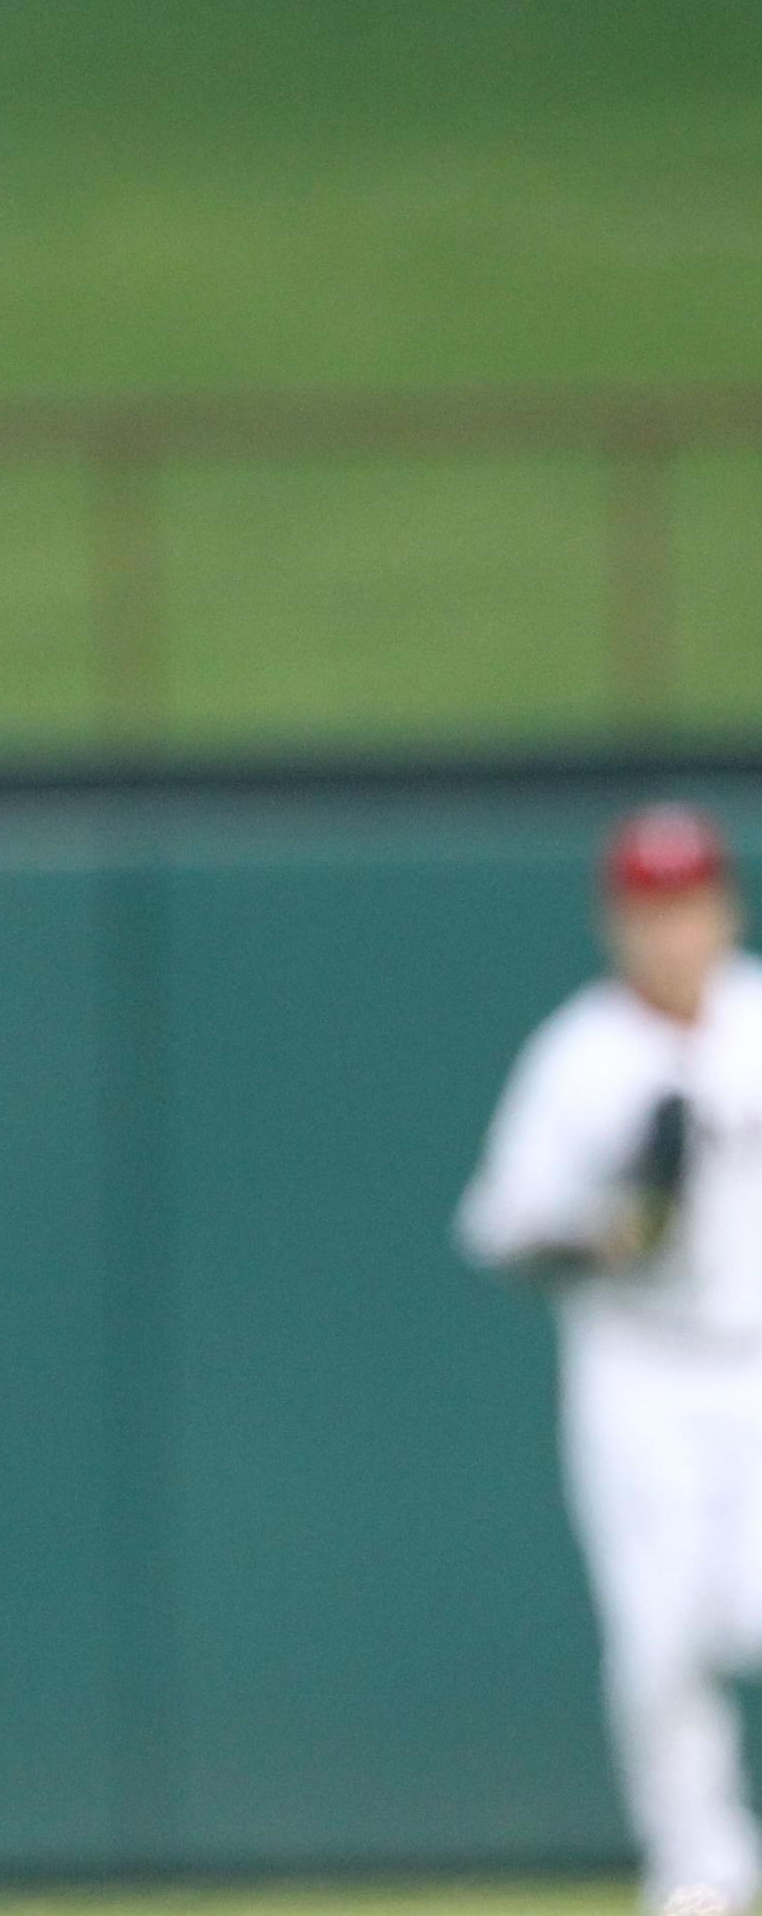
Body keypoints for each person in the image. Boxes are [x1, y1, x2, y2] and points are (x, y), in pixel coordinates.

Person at [460, 803, 762, 1916]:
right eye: (651, 906)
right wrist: (603, 1227)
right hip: (637, 1366)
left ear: (724, 905)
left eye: (690, 902)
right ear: (615, 919)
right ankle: (702, 1868)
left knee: (750, 1608)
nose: (674, 929)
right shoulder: (580, 1056)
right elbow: (496, 1224)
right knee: (658, 1636)